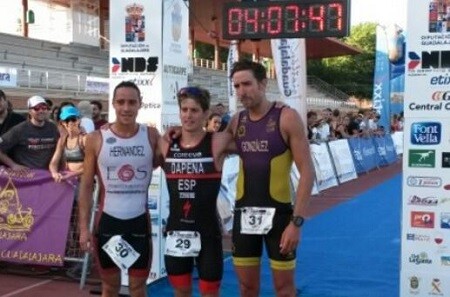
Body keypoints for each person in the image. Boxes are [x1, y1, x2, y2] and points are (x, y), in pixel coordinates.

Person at [227, 60, 314, 297]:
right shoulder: (237, 121)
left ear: (263, 83)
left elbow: (308, 171)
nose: (241, 91)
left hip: (280, 217)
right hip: (244, 215)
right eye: (236, 86)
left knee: (284, 289)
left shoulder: (286, 117)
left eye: (246, 84)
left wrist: (296, 223)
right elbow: (210, 146)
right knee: (247, 288)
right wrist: (177, 133)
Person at [78, 81, 161, 297]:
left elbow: (172, 160)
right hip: (108, 225)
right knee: (110, 288)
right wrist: (84, 229)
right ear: (113, 104)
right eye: (121, 102)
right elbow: (86, 186)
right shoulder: (96, 138)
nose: (126, 107)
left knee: (137, 288)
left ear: (140, 104)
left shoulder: (151, 136)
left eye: (132, 102)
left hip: (139, 225)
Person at [159, 86, 234, 297]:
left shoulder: (217, 142)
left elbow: (253, 140)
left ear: (206, 114)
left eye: (194, 110)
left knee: (209, 293)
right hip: (177, 230)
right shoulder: (165, 143)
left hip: (208, 232)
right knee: (181, 291)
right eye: (184, 110)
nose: (188, 115)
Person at [0, 95, 59, 171]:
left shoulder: (53, 127)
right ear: (30, 111)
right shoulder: (20, 129)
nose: (41, 111)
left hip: (47, 176)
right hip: (27, 177)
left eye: (44, 108)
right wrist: (13, 165)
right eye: (36, 108)